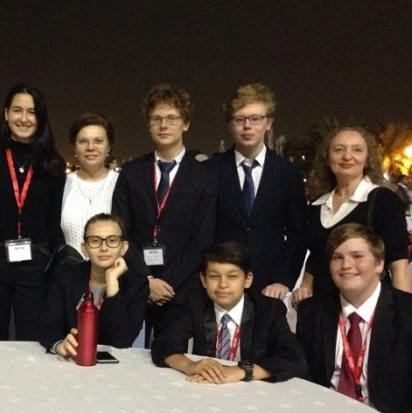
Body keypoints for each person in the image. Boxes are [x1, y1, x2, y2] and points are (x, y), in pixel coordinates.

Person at [112, 83, 216, 344]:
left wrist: (166, 283)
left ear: (186, 124)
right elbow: (121, 231)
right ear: (148, 125)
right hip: (135, 283)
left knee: (170, 359)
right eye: (156, 119)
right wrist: (146, 279)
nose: (164, 125)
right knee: (127, 358)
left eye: (172, 118)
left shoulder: (204, 176)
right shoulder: (131, 173)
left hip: (179, 290)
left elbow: (202, 238)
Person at [0, 83, 66, 341]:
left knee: (32, 343)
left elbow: (53, 224)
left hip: (36, 262)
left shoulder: (53, 164)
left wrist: (58, 275)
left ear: (40, 117)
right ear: (6, 114)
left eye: (31, 112)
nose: (24, 118)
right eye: (17, 110)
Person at [151, 241, 306, 383]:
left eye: (232, 277)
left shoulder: (268, 309)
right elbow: (163, 343)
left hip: (251, 388)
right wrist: (189, 365)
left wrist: (242, 371)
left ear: (247, 279)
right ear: (203, 280)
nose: (223, 284)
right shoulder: (196, 304)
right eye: (214, 277)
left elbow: (294, 358)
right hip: (206, 386)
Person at [296, 223, 412, 412]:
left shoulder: (406, 313)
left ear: (379, 264)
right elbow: (304, 376)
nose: (346, 265)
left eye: (357, 256)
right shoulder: (312, 312)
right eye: (337, 257)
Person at [292, 127, 412, 307]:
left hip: (369, 309)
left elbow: (398, 266)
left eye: (357, 150)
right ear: (327, 159)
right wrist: (305, 285)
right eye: (339, 150)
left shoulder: (383, 201)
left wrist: (404, 314)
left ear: (367, 159)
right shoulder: (317, 206)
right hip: (323, 311)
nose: (347, 156)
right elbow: (316, 257)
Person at [209, 84, 307, 299]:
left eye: (255, 119)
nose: (247, 126)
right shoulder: (211, 170)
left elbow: (297, 232)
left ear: (268, 123)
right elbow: (202, 231)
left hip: (270, 286)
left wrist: (283, 279)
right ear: (230, 125)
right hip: (221, 284)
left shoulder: (288, 173)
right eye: (239, 119)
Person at [39, 213, 149, 356]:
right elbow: (47, 328)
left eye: (112, 240)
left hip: (116, 364)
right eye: (95, 241)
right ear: (84, 248)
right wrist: (59, 345)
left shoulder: (137, 284)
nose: (104, 248)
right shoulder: (66, 276)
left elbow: (120, 341)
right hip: (71, 361)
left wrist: (112, 282)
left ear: (123, 247)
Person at [61, 113, 119, 255]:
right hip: (70, 267)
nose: (90, 147)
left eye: (98, 141)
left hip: (114, 268)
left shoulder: (121, 184)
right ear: (75, 147)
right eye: (83, 141)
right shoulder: (62, 185)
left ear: (109, 147)